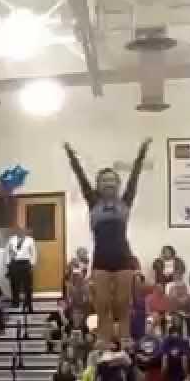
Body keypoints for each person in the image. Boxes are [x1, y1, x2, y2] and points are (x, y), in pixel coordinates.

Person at [64, 138, 151, 347]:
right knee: (101, 302)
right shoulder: (93, 201)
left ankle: (124, 336)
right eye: (104, 180)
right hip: (102, 257)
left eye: (113, 180)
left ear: (118, 184)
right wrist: (71, 156)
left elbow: (134, 178)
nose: (109, 183)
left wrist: (141, 154)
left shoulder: (125, 201)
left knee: (123, 302)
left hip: (122, 256)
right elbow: (81, 177)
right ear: (98, 185)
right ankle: (103, 336)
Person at [4, 226, 37, 313]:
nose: (21, 231)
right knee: (15, 284)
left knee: (28, 286)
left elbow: (33, 253)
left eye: (23, 230)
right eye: (19, 230)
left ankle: (28, 303)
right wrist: (8, 263)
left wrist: (32, 264)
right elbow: (7, 252)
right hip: (14, 263)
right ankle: (15, 302)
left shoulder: (30, 240)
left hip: (25, 263)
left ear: (25, 231)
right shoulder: (12, 239)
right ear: (17, 231)